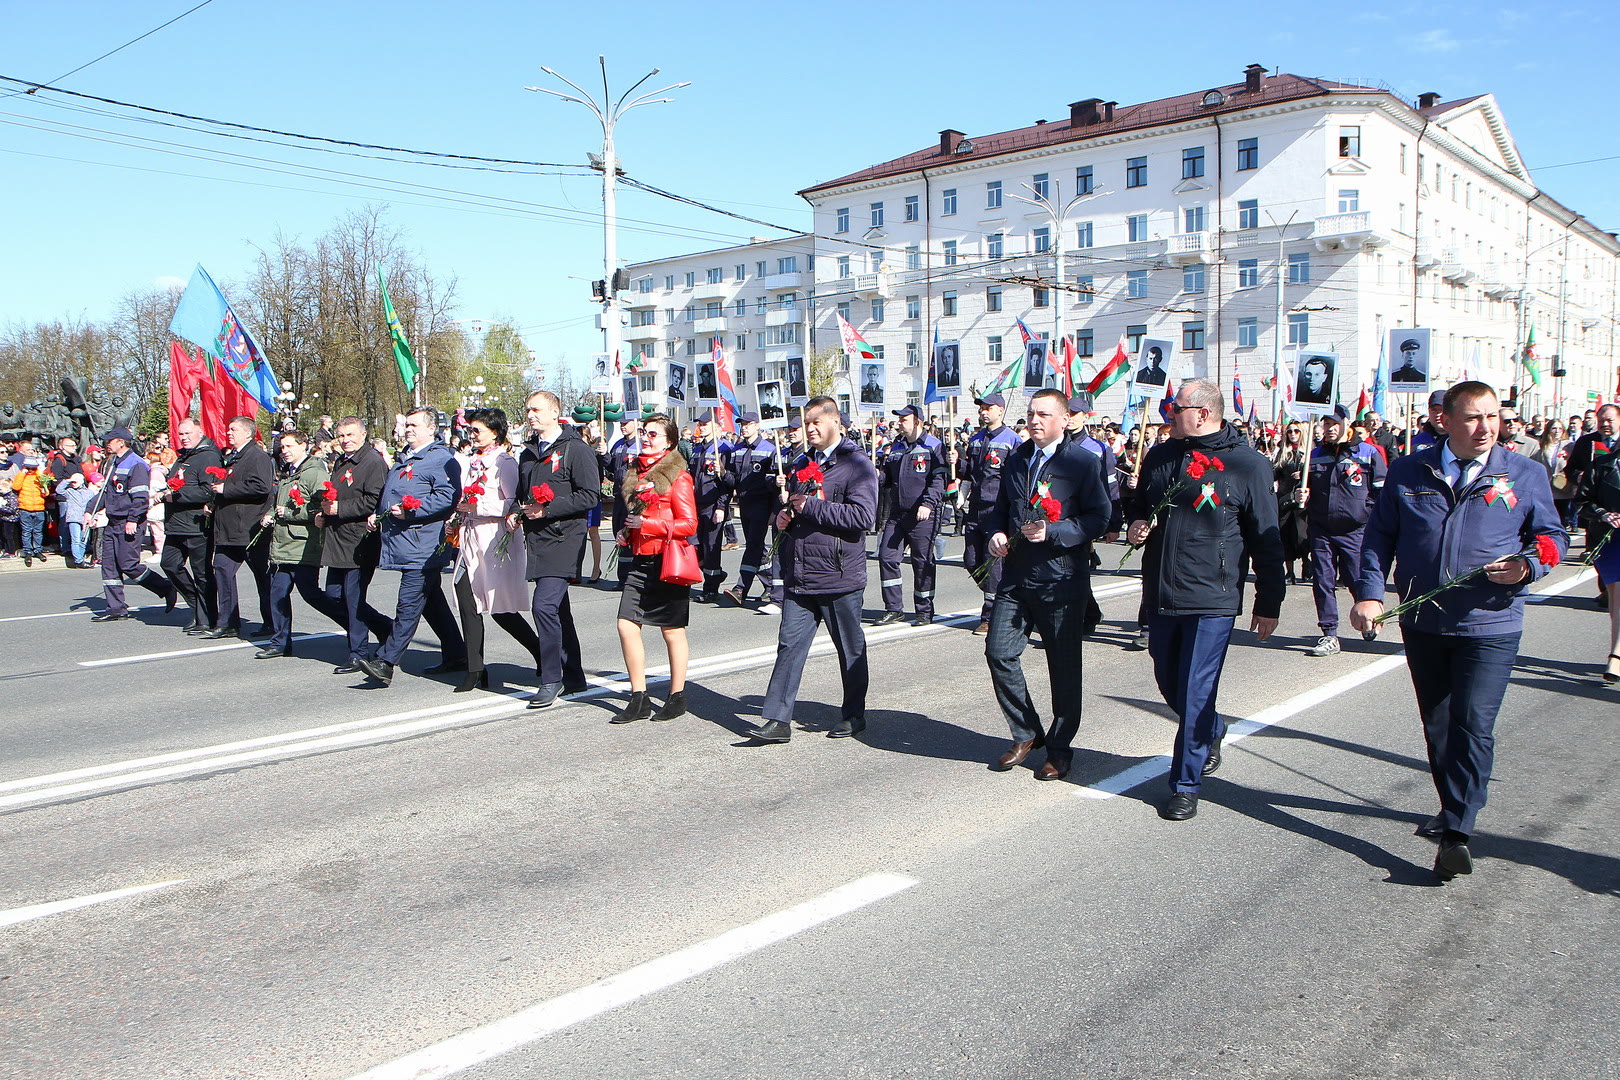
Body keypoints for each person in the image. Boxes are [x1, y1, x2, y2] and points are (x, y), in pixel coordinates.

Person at [1351, 381, 1568, 881]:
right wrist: (1369, 593)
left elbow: (1551, 538)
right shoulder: (1410, 469)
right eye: (1473, 418)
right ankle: (1454, 805)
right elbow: (1379, 536)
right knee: (1440, 726)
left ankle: (1458, 832)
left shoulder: (1524, 473)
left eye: (1493, 417)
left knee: (1473, 723)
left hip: (1491, 623)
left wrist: (1529, 567)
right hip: (1424, 622)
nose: (1486, 428)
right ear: (1444, 421)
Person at [1125, 379, 1286, 821]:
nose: (1166, 416)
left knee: (1196, 691)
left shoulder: (1247, 466)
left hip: (1212, 596)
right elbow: (1137, 504)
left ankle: (1185, 783)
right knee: (1169, 683)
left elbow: (1267, 541)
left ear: (1202, 413)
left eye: (1174, 409)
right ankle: (1213, 728)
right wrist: (1137, 522)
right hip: (1161, 591)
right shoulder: (1160, 455)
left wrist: (1268, 600)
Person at [984, 390, 1112, 780]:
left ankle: (1059, 747)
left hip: (1061, 580)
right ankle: (1026, 732)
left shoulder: (1082, 462)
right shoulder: (1017, 458)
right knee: (999, 651)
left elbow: (1100, 518)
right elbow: (1000, 510)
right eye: (1030, 413)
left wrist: (1054, 532)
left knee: (1063, 668)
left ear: (1063, 418)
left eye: (1044, 414)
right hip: (1018, 577)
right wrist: (995, 534)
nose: (1035, 420)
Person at [748, 397, 878, 743]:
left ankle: (854, 714)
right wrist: (784, 518)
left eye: (817, 421)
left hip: (838, 575)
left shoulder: (856, 465)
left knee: (850, 648)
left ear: (835, 421)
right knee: (789, 645)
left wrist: (812, 506)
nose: (810, 428)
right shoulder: (800, 462)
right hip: (800, 573)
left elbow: (863, 517)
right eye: (807, 423)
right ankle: (777, 720)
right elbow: (795, 507)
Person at [356, 407, 467, 686]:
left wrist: (411, 513)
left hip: (424, 545)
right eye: (407, 424)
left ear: (431, 429)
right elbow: (393, 493)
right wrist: (378, 514)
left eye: (414, 425)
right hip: (404, 542)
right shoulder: (406, 457)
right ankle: (457, 654)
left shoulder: (441, 459)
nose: (409, 429)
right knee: (431, 602)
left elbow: (448, 497)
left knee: (408, 603)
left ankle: (386, 661)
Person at [610, 414, 697, 724]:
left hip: (667, 560)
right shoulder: (637, 474)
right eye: (645, 433)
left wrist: (648, 524)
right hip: (640, 560)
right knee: (626, 625)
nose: (646, 438)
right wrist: (627, 532)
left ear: (669, 442)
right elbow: (636, 518)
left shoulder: (679, 476)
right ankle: (639, 697)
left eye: (654, 434)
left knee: (671, 631)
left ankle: (676, 696)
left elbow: (688, 524)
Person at [516, 391, 599, 708]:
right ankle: (575, 676)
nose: (530, 414)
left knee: (544, 606)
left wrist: (549, 509)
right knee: (559, 610)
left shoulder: (575, 449)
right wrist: (515, 512)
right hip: (537, 540)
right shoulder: (528, 453)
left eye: (536, 409)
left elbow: (589, 496)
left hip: (565, 538)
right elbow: (522, 495)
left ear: (554, 412)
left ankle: (550, 677)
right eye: (528, 410)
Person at [451, 409, 544, 693]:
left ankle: (541, 652)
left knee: (500, 608)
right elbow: (462, 497)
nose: (472, 435)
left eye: (477, 430)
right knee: (466, 600)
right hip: (469, 536)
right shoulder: (469, 461)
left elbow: (511, 503)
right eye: (470, 430)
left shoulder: (504, 462)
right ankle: (475, 669)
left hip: (493, 538)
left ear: (495, 432)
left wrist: (478, 507)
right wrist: (454, 520)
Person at [256, 430, 347, 658]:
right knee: (277, 594)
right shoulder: (289, 473)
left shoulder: (313, 472)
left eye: (289, 447)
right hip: (283, 546)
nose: (285, 451)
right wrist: (271, 513)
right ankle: (280, 642)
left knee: (312, 595)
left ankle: (355, 624)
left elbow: (323, 507)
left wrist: (287, 513)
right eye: (282, 447)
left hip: (304, 545)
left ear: (304, 445)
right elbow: (281, 502)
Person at [1300, 413, 1385, 656]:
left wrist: (1365, 512)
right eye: (1325, 423)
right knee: (1323, 581)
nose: (1328, 428)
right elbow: (1305, 487)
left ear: (1346, 424)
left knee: (1356, 578)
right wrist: (1301, 495)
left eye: (1333, 423)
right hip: (1321, 529)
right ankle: (1329, 634)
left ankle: (1369, 617)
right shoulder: (1315, 454)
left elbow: (1381, 491)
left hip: (1355, 531)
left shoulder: (1368, 452)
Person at [317, 418, 394, 673]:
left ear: (363, 435)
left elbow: (375, 500)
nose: (345, 439)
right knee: (333, 595)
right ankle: (384, 627)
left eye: (350, 435)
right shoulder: (341, 461)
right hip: (338, 538)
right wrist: (325, 513)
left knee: (353, 599)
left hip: (360, 539)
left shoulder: (372, 462)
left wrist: (341, 509)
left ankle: (358, 652)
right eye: (341, 435)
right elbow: (336, 494)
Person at [85, 427, 176, 622]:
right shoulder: (112, 463)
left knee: (128, 565)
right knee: (109, 567)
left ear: (121, 442)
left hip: (129, 522)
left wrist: (133, 519)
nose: (107, 443)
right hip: (112, 522)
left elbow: (141, 498)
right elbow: (105, 494)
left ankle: (165, 587)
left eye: (111, 440)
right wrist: (89, 510)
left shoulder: (136, 464)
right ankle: (116, 608)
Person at [875, 404, 948, 626]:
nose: (899, 423)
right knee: (887, 556)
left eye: (904, 419)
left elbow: (939, 481)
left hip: (923, 515)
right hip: (897, 514)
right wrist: (875, 473)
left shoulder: (934, 446)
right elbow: (886, 479)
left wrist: (927, 504)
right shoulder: (896, 447)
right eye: (898, 419)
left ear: (917, 421)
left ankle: (924, 610)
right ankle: (893, 608)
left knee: (922, 562)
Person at [204, 417, 275, 639]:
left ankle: (272, 622)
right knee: (222, 571)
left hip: (249, 529)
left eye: (233, 429)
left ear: (248, 432)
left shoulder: (257, 456)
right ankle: (227, 622)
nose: (228, 432)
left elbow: (262, 487)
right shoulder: (232, 457)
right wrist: (214, 501)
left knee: (263, 578)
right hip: (228, 530)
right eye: (229, 428)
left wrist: (228, 488)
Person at [959, 394, 1023, 634]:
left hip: (997, 509)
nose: (984, 412)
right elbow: (970, 472)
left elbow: (1016, 477)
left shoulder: (1012, 440)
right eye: (982, 408)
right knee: (971, 560)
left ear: (1001, 411)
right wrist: (957, 464)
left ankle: (990, 615)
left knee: (992, 562)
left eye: (989, 408)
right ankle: (1005, 596)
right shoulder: (976, 439)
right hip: (975, 508)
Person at [161, 419, 221, 633]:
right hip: (176, 524)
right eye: (181, 434)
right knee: (169, 564)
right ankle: (196, 604)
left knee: (202, 573)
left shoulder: (208, 456)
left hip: (196, 525)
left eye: (188, 433)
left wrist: (176, 495)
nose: (184, 437)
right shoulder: (184, 457)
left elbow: (208, 491)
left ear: (199, 432)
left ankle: (207, 618)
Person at [723, 412, 782, 608]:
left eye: (748, 424)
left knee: (752, 546)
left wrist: (774, 510)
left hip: (761, 504)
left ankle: (740, 589)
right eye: (742, 424)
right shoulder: (737, 449)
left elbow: (774, 481)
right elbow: (733, 479)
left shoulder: (769, 449)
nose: (744, 427)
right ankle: (770, 583)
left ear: (757, 426)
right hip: (744, 504)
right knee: (756, 547)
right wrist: (723, 473)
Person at [1576, 441, 1620, 683]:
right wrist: (1603, 514)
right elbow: (1581, 503)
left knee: (1617, 602)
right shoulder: (1602, 466)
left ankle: (1616, 654)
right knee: (1617, 597)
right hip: (1610, 540)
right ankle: (1618, 654)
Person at [686, 410, 732, 602]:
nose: (701, 427)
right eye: (700, 424)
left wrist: (721, 507)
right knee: (695, 546)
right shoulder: (697, 448)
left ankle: (711, 588)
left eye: (705, 424)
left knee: (711, 547)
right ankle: (716, 574)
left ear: (716, 426)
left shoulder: (723, 449)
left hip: (713, 504)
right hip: (696, 504)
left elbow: (727, 483)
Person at [604, 416, 641, 591]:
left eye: (625, 424)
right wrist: (603, 454)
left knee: (630, 536)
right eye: (621, 424)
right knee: (618, 535)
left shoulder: (640, 444)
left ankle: (633, 578)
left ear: (635, 423)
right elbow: (610, 468)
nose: (622, 427)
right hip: (619, 496)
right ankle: (623, 578)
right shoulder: (618, 444)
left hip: (633, 497)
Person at [11, 451, 50, 567]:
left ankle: (38, 550)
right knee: (26, 531)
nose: (31, 470)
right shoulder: (21, 476)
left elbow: (46, 492)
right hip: (25, 508)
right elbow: (16, 486)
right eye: (29, 468)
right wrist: (23, 473)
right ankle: (28, 551)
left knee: (38, 531)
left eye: (33, 468)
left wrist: (44, 490)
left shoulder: (40, 476)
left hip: (38, 508)